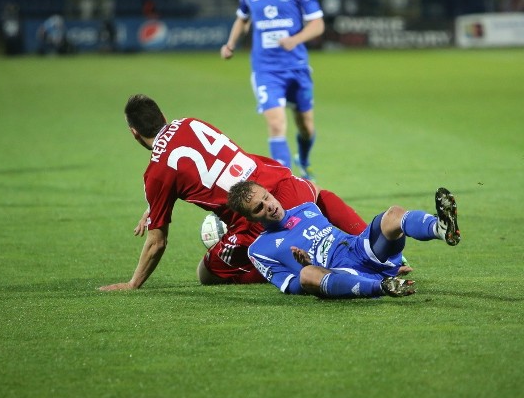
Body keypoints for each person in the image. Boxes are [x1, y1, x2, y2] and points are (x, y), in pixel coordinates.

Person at [98, 94, 368, 292]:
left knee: (206, 274)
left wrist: (133, 283)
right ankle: (370, 243)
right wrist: (153, 206)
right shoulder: (190, 123)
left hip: (253, 215)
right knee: (318, 195)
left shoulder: (156, 173)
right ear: (164, 117)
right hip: (281, 182)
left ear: (134, 134)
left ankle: (293, 266)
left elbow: (157, 242)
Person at [227, 180, 461, 299]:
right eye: (259, 208)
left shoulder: (307, 208)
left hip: (360, 250)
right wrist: (308, 265)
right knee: (307, 276)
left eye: (267, 197)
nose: (269, 206)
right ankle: (382, 287)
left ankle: (441, 229)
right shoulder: (259, 250)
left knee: (393, 214)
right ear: (251, 218)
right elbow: (292, 287)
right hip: (342, 273)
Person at [220, 0, 324, 180]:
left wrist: (295, 39)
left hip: (297, 66)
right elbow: (242, 19)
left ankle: (304, 159)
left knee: (306, 127)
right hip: (266, 69)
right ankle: (287, 183)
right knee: (276, 124)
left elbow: (317, 24)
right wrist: (231, 44)